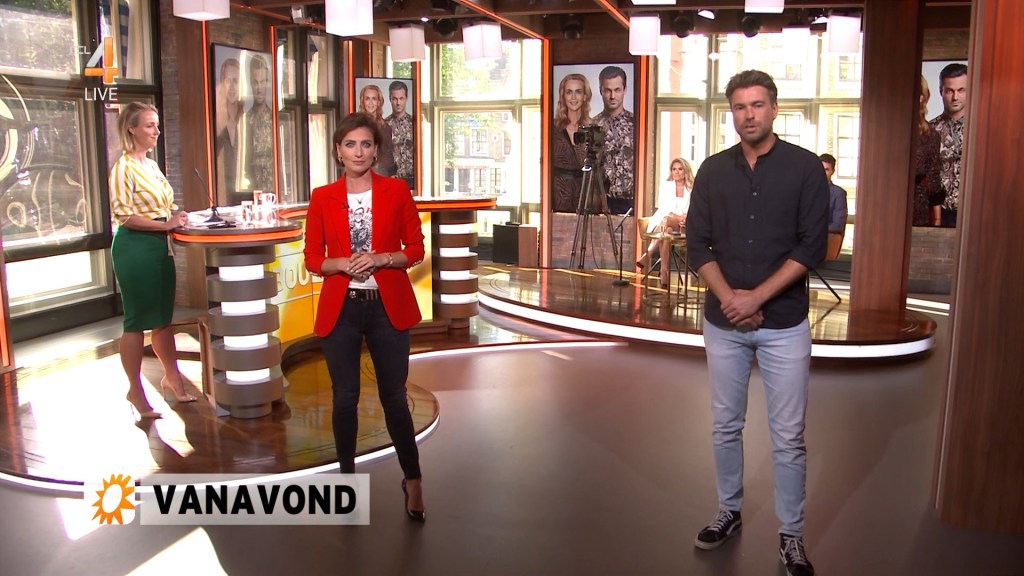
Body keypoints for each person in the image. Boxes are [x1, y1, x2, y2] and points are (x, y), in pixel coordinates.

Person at [686, 70, 827, 576]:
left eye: (758, 104)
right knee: (726, 425)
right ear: (732, 112)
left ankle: (791, 537)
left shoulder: (805, 168)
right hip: (724, 322)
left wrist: (757, 298)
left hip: (784, 323)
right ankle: (729, 510)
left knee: (788, 436)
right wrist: (731, 300)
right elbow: (696, 244)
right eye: (740, 106)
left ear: (774, 108)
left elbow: (811, 247)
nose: (749, 114)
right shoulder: (712, 170)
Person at [303, 112, 426, 521]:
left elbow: (415, 249)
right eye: (350, 144)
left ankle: (413, 480)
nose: (359, 152)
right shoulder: (322, 196)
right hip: (342, 308)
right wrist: (341, 263)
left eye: (366, 144)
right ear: (338, 151)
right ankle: (346, 482)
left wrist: (381, 258)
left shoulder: (396, 191)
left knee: (394, 398)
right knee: (345, 398)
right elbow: (312, 259)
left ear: (376, 151)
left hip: (387, 307)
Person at [109, 102, 197, 420]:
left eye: (157, 125)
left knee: (162, 319)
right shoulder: (123, 168)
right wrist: (165, 225)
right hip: (135, 249)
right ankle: (135, 390)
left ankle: (172, 379)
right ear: (131, 129)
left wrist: (177, 216)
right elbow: (125, 216)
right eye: (150, 125)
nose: (157, 131)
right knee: (136, 322)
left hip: (160, 248)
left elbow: (163, 205)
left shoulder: (151, 165)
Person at [637, 157, 692, 287]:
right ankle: (664, 271)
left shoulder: (692, 188)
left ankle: (648, 254)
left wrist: (682, 218)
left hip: (683, 225)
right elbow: (664, 208)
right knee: (667, 230)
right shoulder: (666, 186)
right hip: (666, 221)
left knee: (666, 223)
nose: (676, 172)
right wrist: (677, 217)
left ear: (685, 171)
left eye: (680, 169)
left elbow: (694, 209)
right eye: (674, 169)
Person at [929, 63, 968, 227]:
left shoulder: (982, 130)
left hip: (973, 211)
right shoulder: (929, 130)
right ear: (941, 91)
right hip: (939, 213)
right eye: (950, 91)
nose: (955, 97)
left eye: (961, 90)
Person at [594, 66, 635, 214]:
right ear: (601, 91)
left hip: (632, 200)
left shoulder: (636, 123)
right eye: (607, 90)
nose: (612, 96)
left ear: (624, 89)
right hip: (603, 201)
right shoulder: (593, 125)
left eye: (617, 90)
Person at [551, 73, 592, 213]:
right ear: (563, 96)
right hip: (558, 196)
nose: (573, 97)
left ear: (585, 96)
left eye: (578, 92)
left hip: (585, 196)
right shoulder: (553, 128)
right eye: (569, 92)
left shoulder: (592, 128)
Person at [913, 74, 942, 227]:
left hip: (918, 206)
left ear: (922, 97)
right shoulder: (887, 130)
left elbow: (933, 177)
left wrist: (937, 221)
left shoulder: (931, 135)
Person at [244, 55, 274, 197]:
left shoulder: (275, 120)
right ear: (251, 84)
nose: (259, 88)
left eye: (262, 82)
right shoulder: (246, 120)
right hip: (252, 193)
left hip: (274, 193)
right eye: (255, 83)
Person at [214, 58, 242, 204]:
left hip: (244, 193)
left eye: (236, 81)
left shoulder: (245, 118)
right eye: (228, 81)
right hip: (221, 194)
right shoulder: (216, 119)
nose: (232, 87)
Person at [357, 84, 398, 177]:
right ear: (363, 101)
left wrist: (391, 175)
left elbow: (388, 154)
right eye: (367, 99)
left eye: (374, 99)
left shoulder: (385, 127)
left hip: (380, 172)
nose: (370, 103)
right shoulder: (355, 125)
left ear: (379, 102)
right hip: (360, 172)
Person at [385, 80, 415, 191]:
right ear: (390, 99)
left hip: (414, 180)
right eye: (395, 99)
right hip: (392, 181)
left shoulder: (415, 124)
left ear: (406, 98)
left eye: (401, 98)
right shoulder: (384, 125)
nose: (398, 103)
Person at [818, 153, 848, 259]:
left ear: (833, 171)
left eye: (826, 170)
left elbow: (838, 224)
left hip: (824, 239)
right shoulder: (806, 191)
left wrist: (815, 229)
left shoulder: (839, 194)